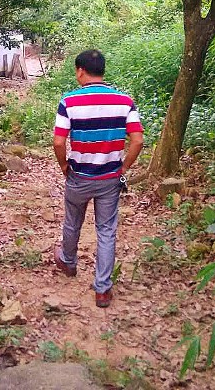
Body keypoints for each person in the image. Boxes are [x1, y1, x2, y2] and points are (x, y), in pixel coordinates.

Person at [52, 49, 144, 308]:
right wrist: (122, 167)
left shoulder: (69, 101)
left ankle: (68, 263)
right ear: (102, 70)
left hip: (79, 176)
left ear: (81, 71)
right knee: (106, 231)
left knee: (72, 222)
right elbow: (137, 140)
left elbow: (59, 141)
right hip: (109, 178)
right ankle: (102, 289)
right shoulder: (124, 101)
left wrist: (64, 165)